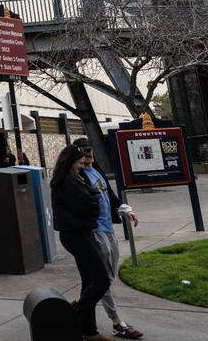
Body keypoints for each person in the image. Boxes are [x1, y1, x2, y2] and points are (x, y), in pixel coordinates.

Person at [73, 138, 144, 339]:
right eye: (84, 152)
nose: (89, 155)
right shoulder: (77, 176)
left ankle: (79, 305)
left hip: (108, 228)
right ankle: (117, 323)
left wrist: (125, 210)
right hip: (95, 231)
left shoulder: (96, 170)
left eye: (90, 150)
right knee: (102, 279)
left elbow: (110, 195)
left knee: (109, 277)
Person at [50, 144, 113, 341]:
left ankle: (89, 331)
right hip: (77, 235)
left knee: (89, 282)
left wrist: (93, 199)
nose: (82, 163)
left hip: (79, 233)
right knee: (101, 280)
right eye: (78, 161)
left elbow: (92, 200)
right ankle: (75, 310)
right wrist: (94, 200)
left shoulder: (72, 178)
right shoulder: (68, 181)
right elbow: (90, 205)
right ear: (70, 161)